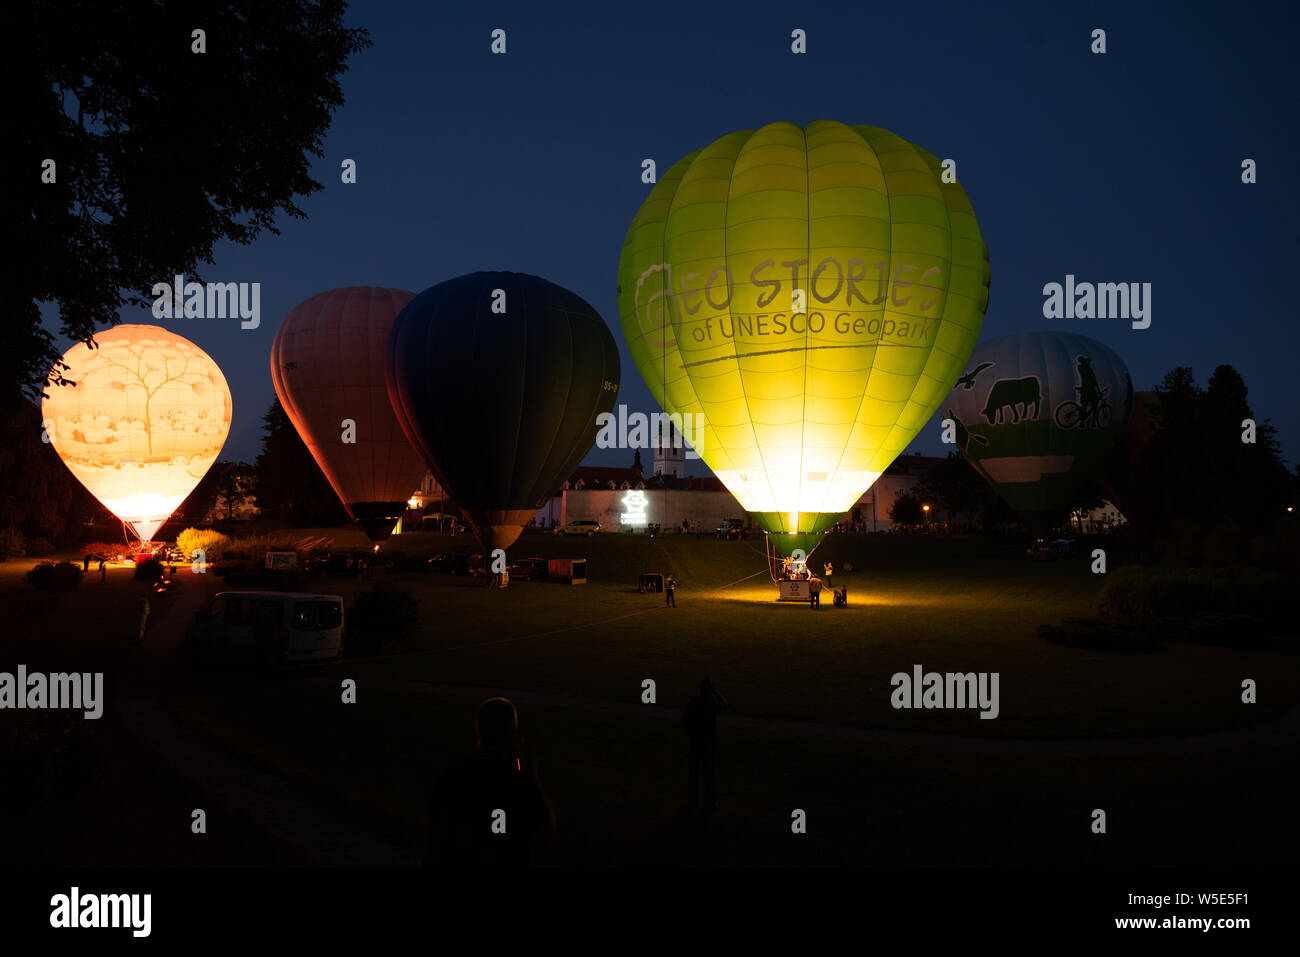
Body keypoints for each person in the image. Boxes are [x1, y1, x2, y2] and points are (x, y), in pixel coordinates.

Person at [423, 697, 554, 867]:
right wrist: (533, 776)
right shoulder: (520, 783)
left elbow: (433, 839)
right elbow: (545, 833)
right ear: (511, 735)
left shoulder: (452, 777)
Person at [684, 677, 727, 813]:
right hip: (708, 744)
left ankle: (692, 801)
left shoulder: (695, 701)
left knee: (693, 774)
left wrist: (691, 735)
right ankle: (709, 802)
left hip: (695, 743)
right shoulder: (711, 703)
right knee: (708, 775)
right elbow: (724, 704)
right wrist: (716, 692)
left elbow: (685, 721)